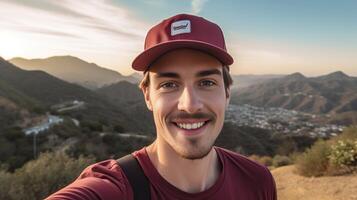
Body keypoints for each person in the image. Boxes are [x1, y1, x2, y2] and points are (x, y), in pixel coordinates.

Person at [46, 13, 277, 200]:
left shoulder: (257, 181)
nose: (189, 104)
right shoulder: (117, 188)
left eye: (207, 82)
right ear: (148, 95)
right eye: (169, 84)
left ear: (227, 92)